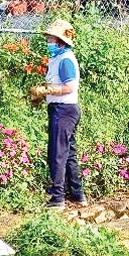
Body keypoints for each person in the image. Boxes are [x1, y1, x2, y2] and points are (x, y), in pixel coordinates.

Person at [29, 20, 86, 209]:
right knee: (68, 153)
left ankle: (57, 198)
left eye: (51, 38)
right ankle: (77, 194)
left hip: (63, 110)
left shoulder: (65, 59)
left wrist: (46, 91)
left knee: (57, 154)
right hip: (64, 109)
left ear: (61, 41)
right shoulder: (59, 58)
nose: (48, 41)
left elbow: (70, 87)